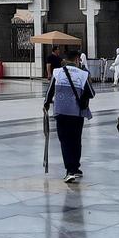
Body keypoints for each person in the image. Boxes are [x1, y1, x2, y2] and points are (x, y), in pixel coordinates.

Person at [44, 46, 94, 183]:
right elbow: (91, 93)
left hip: (61, 112)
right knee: (76, 140)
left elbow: (49, 92)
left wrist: (46, 104)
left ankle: (70, 170)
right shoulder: (83, 74)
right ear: (77, 60)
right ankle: (75, 168)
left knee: (65, 141)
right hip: (76, 113)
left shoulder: (57, 72)